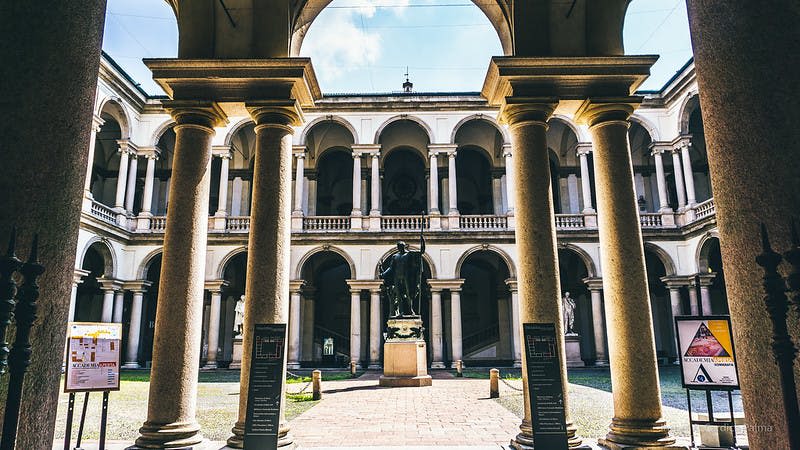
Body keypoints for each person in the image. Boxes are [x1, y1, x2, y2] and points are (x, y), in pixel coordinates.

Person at [380, 241, 424, 317]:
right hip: (397, 278)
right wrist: (383, 274)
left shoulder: (409, 254)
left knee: (408, 294)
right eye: (398, 247)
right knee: (398, 295)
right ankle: (401, 312)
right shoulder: (395, 256)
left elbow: (421, 252)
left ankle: (410, 310)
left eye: (400, 246)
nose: (399, 248)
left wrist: (423, 242)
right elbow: (391, 268)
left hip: (406, 277)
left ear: (404, 247)